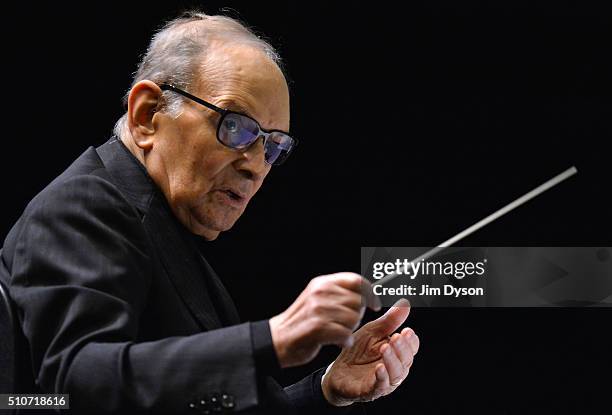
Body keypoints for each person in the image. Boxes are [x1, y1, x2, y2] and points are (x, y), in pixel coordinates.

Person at [0, 11, 419, 414]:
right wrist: (272, 340)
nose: (256, 165)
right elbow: (73, 388)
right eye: (235, 126)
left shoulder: (166, 224)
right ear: (148, 115)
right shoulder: (83, 207)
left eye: (273, 146)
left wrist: (327, 390)